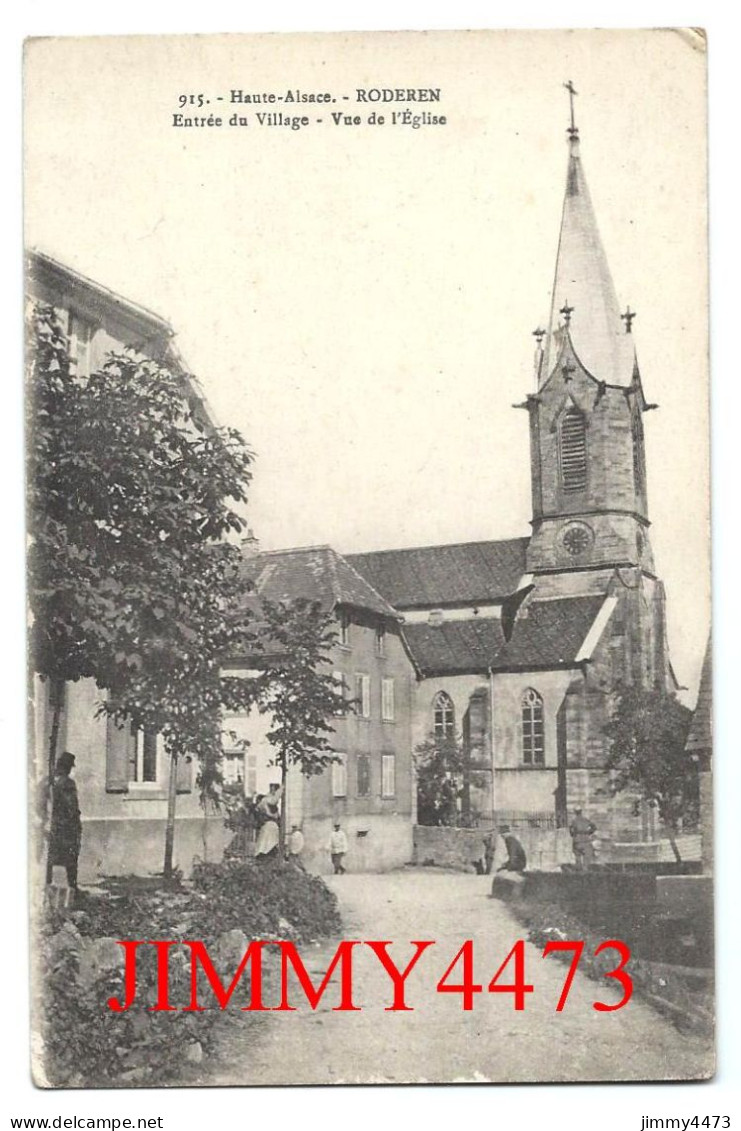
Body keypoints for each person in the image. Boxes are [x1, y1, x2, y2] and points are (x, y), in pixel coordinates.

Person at [46, 751, 82, 898]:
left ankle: (47, 886)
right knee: (71, 858)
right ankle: (73, 888)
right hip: (67, 827)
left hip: (52, 825)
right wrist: (76, 824)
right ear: (67, 767)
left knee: (50, 858)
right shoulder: (67, 783)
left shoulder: (48, 781)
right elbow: (71, 806)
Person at [254, 782, 282, 863]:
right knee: (265, 845)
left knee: (269, 845)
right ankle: (264, 857)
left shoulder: (269, 803)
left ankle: (268, 857)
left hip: (273, 827)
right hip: (269, 826)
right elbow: (273, 801)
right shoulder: (267, 800)